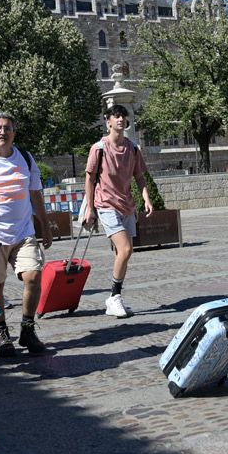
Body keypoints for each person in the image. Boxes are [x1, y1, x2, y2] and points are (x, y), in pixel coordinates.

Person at [0, 111, 52, 357]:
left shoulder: (25, 157)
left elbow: (36, 195)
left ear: (14, 132)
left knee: (34, 276)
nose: (3, 132)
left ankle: (27, 328)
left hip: (24, 232)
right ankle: (1, 333)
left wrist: (45, 226)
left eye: (8, 128)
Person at [81, 104, 153, 318]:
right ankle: (114, 296)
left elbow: (139, 176)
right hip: (106, 204)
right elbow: (90, 178)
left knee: (120, 254)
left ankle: (114, 299)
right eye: (116, 116)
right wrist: (91, 210)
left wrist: (146, 199)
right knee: (126, 250)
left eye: (123, 116)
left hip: (127, 205)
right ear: (108, 121)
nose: (120, 119)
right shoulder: (99, 148)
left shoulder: (132, 148)